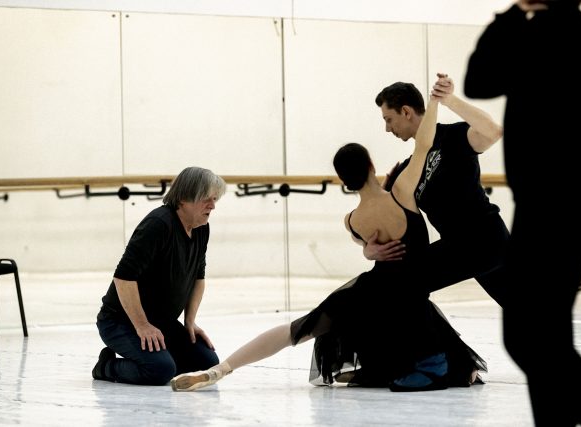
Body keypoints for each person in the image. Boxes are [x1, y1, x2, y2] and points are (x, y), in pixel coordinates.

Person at [170, 96, 486, 393]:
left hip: (371, 292)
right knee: (422, 325)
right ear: (372, 165)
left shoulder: (353, 219)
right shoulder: (402, 193)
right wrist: (434, 102)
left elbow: (360, 237)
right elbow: (425, 143)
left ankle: (221, 369)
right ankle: (447, 368)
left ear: (343, 181)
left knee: (296, 330)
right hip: (406, 296)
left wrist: (367, 249)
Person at [463, 1, 581, 425]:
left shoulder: (558, 33)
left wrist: (510, 16)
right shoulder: (567, 31)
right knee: (544, 336)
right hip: (552, 203)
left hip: (557, 206)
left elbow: (479, 80)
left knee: (529, 335)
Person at [369, 77, 510, 307]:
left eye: (388, 119)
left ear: (406, 112)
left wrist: (449, 99)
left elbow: (493, 132)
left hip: (486, 239)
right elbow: (375, 220)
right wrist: (369, 249)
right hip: (461, 246)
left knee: (405, 281)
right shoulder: (406, 171)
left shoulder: (452, 137)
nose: (387, 128)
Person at [92, 166, 227, 385]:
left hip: (162, 322)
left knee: (206, 363)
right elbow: (123, 277)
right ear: (184, 199)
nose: (212, 206)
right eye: (206, 199)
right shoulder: (158, 224)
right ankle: (107, 366)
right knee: (159, 370)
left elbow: (198, 278)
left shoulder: (201, 228)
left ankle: (163, 359)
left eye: (214, 199)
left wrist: (190, 321)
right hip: (120, 321)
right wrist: (142, 325)